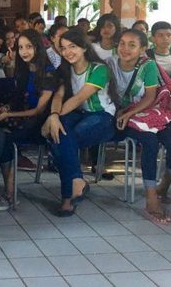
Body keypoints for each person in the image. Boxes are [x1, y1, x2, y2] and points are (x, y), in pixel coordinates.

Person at [108, 29, 171, 224]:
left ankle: (164, 185)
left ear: (143, 49)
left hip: (151, 113)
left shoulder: (148, 65)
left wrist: (131, 112)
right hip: (123, 118)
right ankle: (151, 196)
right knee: (150, 143)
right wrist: (125, 114)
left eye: (132, 45)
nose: (125, 49)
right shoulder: (110, 64)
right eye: (122, 43)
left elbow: (150, 97)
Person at [45, 28, 117, 216]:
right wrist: (54, 116)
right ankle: (76, 185)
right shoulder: (66, 70)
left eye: (73, 47)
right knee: (60, 137)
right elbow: (58, 96)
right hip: (81, 115)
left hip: (103, 117)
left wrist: (53, 119)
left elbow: (78, 99)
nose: (67, 52)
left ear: (84, 47)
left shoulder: (99, 69)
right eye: (63, 48)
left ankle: (68, 197)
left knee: (62, 141)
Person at [0, 29, 57, 206]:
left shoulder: (49, 72)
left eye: (29, 46)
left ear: (38, 47)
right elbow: (18, 98)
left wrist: (9, 114)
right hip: (21, 117)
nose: (24, 51)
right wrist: (7, 108)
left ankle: (9, 190)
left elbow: (38, 111)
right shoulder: (24, 69)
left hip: (40, 123)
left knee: (4, 137)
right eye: (20, 47)